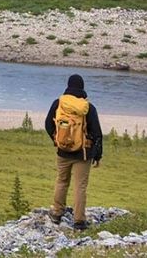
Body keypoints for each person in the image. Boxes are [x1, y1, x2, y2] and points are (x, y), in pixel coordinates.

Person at [44, 73, 103, 229]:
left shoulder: (58, 104)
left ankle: (56, 213)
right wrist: (97, 155)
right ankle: (79, 221)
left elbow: (48, 125)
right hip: (83, 153)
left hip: (63, 152)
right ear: (82, 87)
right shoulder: (88, 108)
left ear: (68, 86)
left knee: (61, 181)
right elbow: (97, 133)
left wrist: (57, 140)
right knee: (80, 186)